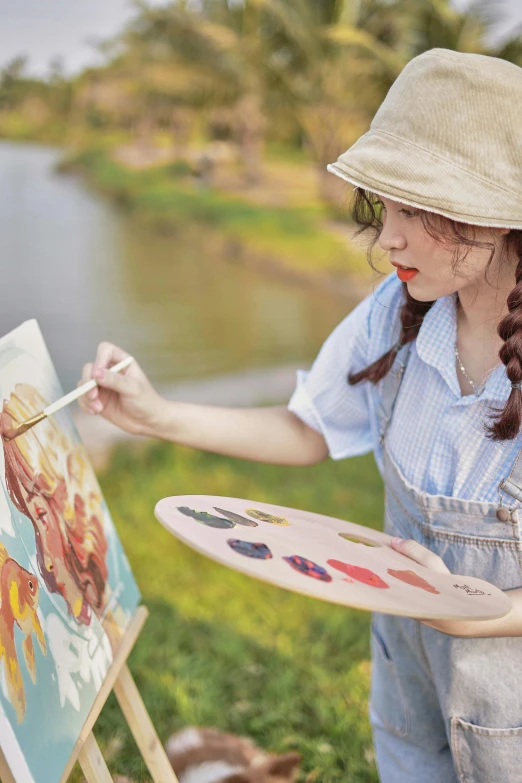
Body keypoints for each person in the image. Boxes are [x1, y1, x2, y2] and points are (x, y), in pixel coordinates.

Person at [79, 49, 522, 782]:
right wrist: (156, 416)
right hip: (407, 666)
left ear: (498, 218)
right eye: (387, 206)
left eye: (420, 211)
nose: (388, 239)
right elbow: (310, 428)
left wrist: (490, 614)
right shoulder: (398, 314)